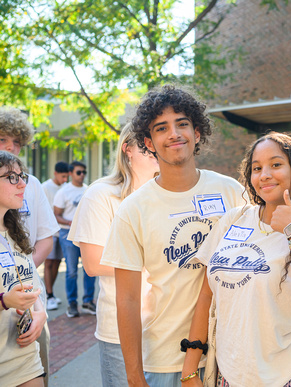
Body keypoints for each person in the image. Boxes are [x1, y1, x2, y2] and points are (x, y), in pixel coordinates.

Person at [100, 84, 247, 386]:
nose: (174, 134)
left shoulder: (231, 191)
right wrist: (134, 376)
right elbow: (126, 299)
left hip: (233, 352)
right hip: (166, 359)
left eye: (182, 124)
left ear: (198, 132)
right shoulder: (133, 210)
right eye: (161, 128)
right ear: (148, 142)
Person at [181, 132, 291, 386]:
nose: (264, 174)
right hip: (230, 371)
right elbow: (206, 295)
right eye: (257, 168)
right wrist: (190, 369)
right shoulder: (233, 220)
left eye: (276, 165)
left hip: (288, 372)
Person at [68, 123, 159, 386]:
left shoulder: (167, 195)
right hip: (121, 329)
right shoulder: (101, 194)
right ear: (127, 149)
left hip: (168, 325)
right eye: (144, 143)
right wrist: (155, 262)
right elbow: (93, 264)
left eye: (156, 141)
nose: (152, 148)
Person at [0, 106, 59, 386]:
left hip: (26, 329)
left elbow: (46, 238)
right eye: (3, 140)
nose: (11, 147)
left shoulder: (31, 185)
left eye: (17, 142)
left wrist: (35, 305)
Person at [0, 150, 47, 387]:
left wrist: (40, 314)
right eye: (10, 177)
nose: (21, 184)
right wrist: (4, 301)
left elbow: (32, 283)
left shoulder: (15, 234)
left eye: (21, 176)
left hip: (25, 359)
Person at [53, 161, 94, 318]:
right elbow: (56, 214)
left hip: (86, 235)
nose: (82, 175)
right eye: (79, 172)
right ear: (71, 173)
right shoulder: (63, 192)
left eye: (84, 172)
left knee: (90, 270)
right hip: (68, 235)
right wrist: (70, 222)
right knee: (71, 272)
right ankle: (72, 304)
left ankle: (88, 301)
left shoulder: (89, 190)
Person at [42, 161, 69, 310]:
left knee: (57, 263)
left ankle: (48, 293)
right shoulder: (45, 187)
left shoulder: (65, 187)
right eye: (63, 176)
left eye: (67, 177)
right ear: (55, 174)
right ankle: (49, 295)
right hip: (49, 231)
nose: (65, 180)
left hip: (62, 231)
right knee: (49, 262)